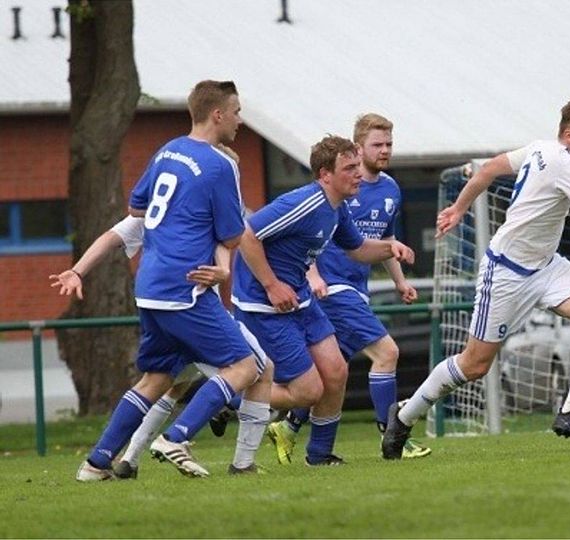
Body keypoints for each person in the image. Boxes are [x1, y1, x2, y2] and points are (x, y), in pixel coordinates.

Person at [381, 98, 570, 459]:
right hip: (507, 271)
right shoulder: (563, 163)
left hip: (546, 266)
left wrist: (459, 207)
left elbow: (488, 170)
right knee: (475, 364)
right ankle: (403, 417)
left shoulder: (540, 148)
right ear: (569, 135)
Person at [75, 80, 271, 480]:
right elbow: (234, 236)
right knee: (246, 367)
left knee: (157, 379)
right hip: (187, 288)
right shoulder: (222, 163)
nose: (239, 119)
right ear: (217, 114)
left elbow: (136, 207)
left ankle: (96, 464)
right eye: (235, 111)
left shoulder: (167, 151)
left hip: (150, 286)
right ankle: (176, 437)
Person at [232, 135, 415, 466]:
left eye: (358, 166)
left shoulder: (338, 208)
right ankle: (229, 394)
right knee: (307, 392)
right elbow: (246, 234)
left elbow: (358, 249)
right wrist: (271, 284)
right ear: (324, 175)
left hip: (300, 300)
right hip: (265, 304)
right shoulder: (304, 203)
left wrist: (391, 247)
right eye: (349, 168)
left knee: (336, 370)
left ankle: (319, 455)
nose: (358, 173)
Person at [52, 210, 273, 478]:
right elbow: (230, 236)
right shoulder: (204, 195)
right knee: (254, 369)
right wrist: (225, 269)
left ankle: (104, 462)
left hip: (153, 304)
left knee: (161, 382)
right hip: (193, 307)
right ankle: (215, 452)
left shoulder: (156, 207)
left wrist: (78, 271)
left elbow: (111, 236)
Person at [267, 113, 431, 461]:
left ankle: (289, 427)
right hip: (333, 289)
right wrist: (313, 275)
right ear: (359, 147)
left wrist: (400, 281)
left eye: (389, 143)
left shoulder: (390, 189)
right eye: (377, 144)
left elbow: (383, 238)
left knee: (331, 373)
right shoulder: (338, 188)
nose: (385, 150)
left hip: (357, 289)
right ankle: (392, 437)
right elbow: (309, 233)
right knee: (386, 354)